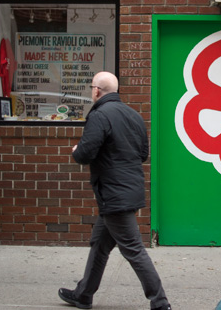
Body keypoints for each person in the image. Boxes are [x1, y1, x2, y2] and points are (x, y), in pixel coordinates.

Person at [59, 72, 170, 310]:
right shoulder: (134, 116)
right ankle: (84, 294)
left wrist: (77, 149)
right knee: (100, 244)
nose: (92, 91)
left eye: (92, 88)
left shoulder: (99, 115)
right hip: (127, 191)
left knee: (134, 250)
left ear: (97, 91)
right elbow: (143, 155)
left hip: (113, 195)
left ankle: (160, 303)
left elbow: (85, 154)